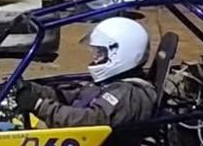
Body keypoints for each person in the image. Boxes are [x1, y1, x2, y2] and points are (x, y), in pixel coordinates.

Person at [14, 15, 156, 129]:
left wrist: (39, 106)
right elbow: (78, 96)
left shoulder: (127, 94)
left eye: (100, 52)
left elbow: (88, 120)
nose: (95, 57)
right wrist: (36, 91)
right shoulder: (111, 83)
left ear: (120, 54)